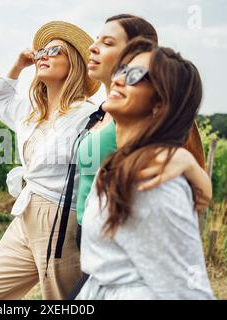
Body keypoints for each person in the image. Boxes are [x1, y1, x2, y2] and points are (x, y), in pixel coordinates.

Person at [0, 21, 101, 300]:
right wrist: (18, 65)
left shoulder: (89, 116)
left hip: (61, 219)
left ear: (73, 63)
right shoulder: (32, 111)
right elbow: (0, 100)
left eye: (55, 50)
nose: (44, 55)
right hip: (25, 215)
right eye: (42, 51)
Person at [76, 37, 215, 299]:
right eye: (121, 70)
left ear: (161, 103)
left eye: (136, 74)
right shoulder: (123, 164)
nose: (118, 79)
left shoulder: (153, 180)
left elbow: (189, 291)